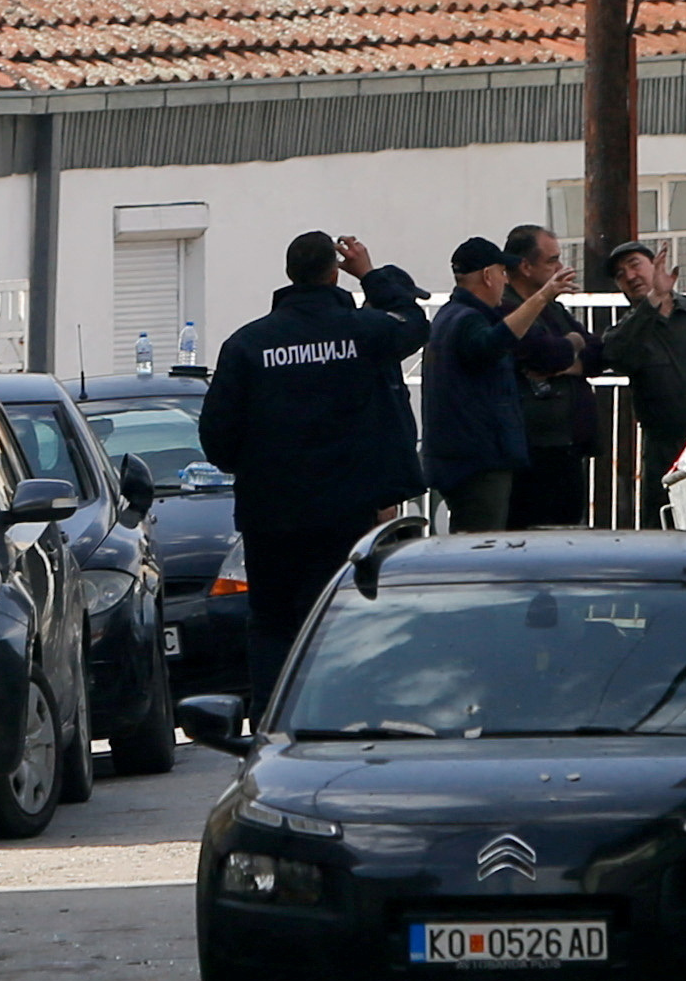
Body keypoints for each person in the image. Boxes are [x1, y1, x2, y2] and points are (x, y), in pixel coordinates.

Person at [197, 229, 431, 692]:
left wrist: (256, 467)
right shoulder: (365, 332)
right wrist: (370, 274)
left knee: (273, 626)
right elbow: (412, 322)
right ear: (333, 273)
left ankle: (270, 720)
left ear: (288, 275)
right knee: (345, 620)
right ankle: (342, 718)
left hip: (271, 515)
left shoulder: (247, 344)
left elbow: (217, 436)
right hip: (349, 512)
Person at [422, 235, 577, 532]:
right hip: (478, 462)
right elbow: (492, 344)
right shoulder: (467, 320)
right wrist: (542, 297)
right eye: (502, 273)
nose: (506, 281)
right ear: (487, 276)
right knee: (481, 549)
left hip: (465, 459)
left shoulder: (451, 316)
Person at [599, 237, 686, 524]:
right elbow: (613, 354)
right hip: (665, 452)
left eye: (634, 265)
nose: (630, 276)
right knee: (665, 528)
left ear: (655, 266)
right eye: (620, 275)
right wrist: (652, 301)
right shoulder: (627, 332)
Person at [501, 221, 601, 526]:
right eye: (552, 260)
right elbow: (542, 354)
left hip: (566, 443)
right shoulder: (508, 307)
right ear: (526, 267)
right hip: (535, 446)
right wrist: (569, 346)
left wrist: (569, 359)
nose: (560, 268)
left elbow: (598, 351)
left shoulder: (553, 309)